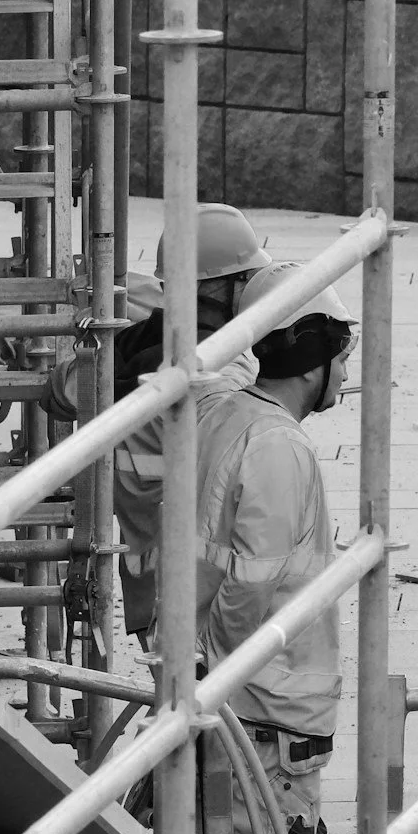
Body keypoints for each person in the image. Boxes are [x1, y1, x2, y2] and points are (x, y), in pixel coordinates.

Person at [193, 261, 352, 834]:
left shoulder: (227, 414)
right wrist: (231, 670)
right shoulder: (281, 446)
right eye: (342, 352)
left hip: (244, 699)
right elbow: (251, 588)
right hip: (269, 711)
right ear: (311, 356)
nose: (346, 371)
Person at [72, 203, 274, 638]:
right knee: (204, 684)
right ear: (218, 284)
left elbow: (62, 391)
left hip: (152, 579)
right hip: (205, 585)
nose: (253, 287)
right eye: (245, 277)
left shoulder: (134, 347)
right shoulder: (217, 370)